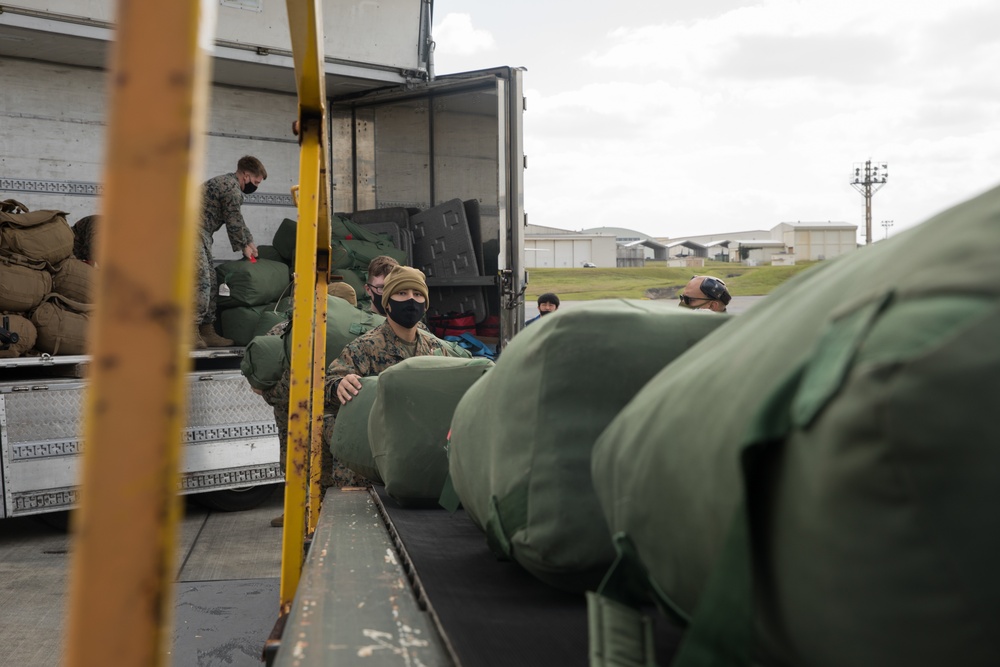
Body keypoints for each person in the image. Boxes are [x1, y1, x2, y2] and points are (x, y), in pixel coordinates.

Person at [328, 265, 461, 407]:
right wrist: (339, 385)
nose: (411, 300)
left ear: (425, 306)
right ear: (387, 304)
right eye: (402, 293)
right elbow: (328, 384)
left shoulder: (435, 348)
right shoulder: (364, 347)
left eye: (417, 294)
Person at [194, 155, 267, 349]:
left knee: (211, 279)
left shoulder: (229, 185)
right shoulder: (230, 188)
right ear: (246, 175)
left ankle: (207, 331)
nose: (256, 186)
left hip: (201, 234)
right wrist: (244, 248)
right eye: (256, 182)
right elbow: (233, 221)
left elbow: (238, 220)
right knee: (200, 281)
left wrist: (250, 241)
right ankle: (189, 332)